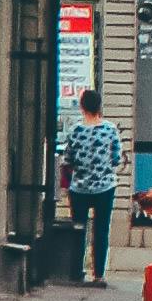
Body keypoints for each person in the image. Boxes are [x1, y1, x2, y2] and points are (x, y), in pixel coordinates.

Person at [61, 99, 126, 285]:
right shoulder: (110, 129)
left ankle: (76, 272)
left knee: (79, 229)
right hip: (105, 187)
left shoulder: (76, 130)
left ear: (82, 107)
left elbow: (68, 159)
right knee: (101, 229)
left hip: (79, 187)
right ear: (100, 106)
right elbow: (115, 159)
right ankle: (99, 274)